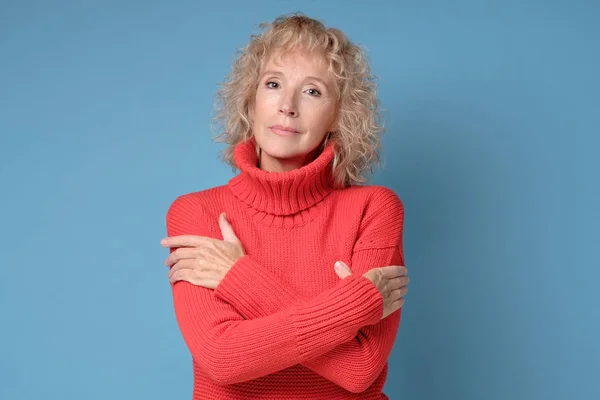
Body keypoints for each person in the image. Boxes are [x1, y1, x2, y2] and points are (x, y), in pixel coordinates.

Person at [160, 13, 410, 400]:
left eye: (312, 91)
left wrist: (236, 277)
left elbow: (360, 368)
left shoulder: (374, 209)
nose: (287, 105)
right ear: (251, 99)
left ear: (338, 116)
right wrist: (353, 305)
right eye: (273, 84)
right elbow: (223, 357)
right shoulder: (197, 212)